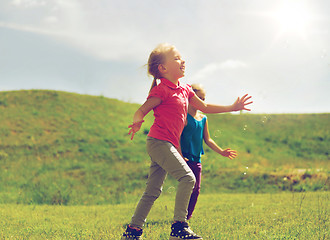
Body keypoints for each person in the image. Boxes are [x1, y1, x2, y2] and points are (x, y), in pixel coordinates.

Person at [122, 43, 252, 240]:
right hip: (158, 142)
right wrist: (137, 121)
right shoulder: (162, 90)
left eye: (181, 57)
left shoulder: (185, 89)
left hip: (167, 144)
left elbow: (205, 107)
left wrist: (232, 107)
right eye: (176, 58)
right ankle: (179, 227)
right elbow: (142, 110)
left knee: (153, 191)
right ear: (163, 69)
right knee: (188, 178)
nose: (182, 61)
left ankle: (132, 231)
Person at [180, 83, 238, 221]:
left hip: (196, 159)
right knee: (186, 187)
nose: (202, 102)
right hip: (183, 158)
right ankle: (180, 216)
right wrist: (180, 155)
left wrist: (221, 151)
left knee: (196, 189)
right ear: (190, 98)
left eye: (204, 99)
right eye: (199, 98)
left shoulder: (203, 118)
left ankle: (187, 217)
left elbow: (208, 139)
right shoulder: (183, 117)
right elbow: (176, 137)